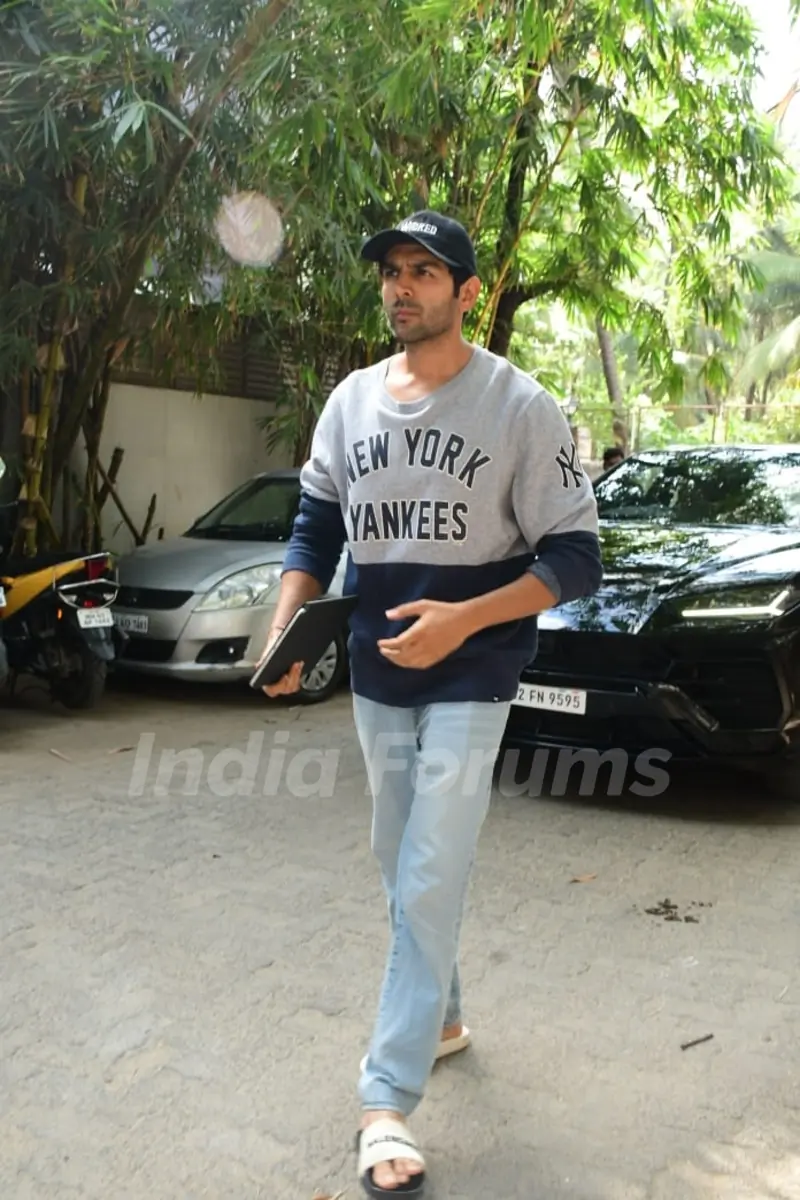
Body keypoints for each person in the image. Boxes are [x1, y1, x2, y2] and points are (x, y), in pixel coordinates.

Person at [258, 210, 603, 1197]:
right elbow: (312, 531)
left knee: (428, 866)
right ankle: (444, 1017)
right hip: (375, 667)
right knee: (396, 854)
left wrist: (462, 620)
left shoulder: (519, 407)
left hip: (474, 669)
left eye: (422, 271)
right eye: (389, 274)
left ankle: (384, 1098)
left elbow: (572, 559)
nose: (400, 288)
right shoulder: (349, 404)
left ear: (466, 292)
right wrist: (285, 636)